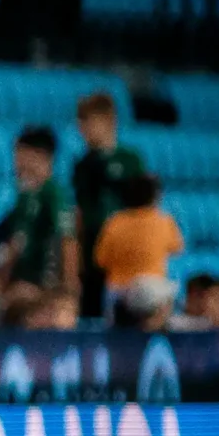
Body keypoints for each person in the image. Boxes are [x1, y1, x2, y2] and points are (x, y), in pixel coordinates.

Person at [71, 92, 145, 319]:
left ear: (108, 121)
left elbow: (144, 206)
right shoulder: (83, 165)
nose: (83, 129)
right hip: (93, 250)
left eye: (88, 121)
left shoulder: (130, 160)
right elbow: (79, 211)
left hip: (126, 252)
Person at [0, 124, 75, 290]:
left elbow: (67, 239)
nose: (17, 163)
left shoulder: (53, 195)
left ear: (41, 156)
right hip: (21, 281)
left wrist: (69, 286)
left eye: (21, 155)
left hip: (43, 286)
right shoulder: (25, 196)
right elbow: (15, 244)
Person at [92, 175, 183, 309]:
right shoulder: (164, 221)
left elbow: (101, 260)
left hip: (118, 291)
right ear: (155, 197)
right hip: (153, 290)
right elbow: (177, 249)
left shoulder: (115, 222)